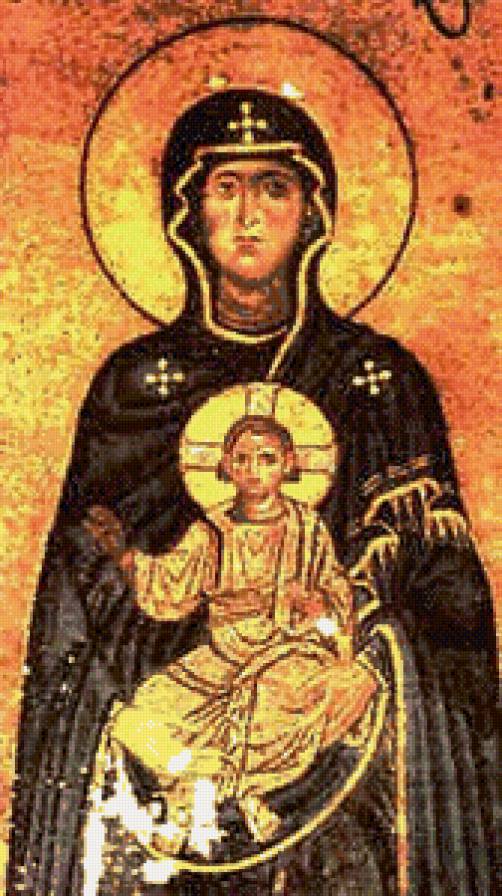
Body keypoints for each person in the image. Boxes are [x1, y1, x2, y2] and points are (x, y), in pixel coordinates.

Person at [8, 84, 500, 896]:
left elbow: (447, 596)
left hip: (347, 756)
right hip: (174, 775)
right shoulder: (137, 385)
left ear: (313, 212)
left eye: (274, 187)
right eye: (225, 187)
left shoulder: (379, 381)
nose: (248, 215)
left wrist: (363, 628)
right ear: (187, 211)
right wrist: (145, 609)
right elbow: (80, 600)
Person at [94, 413, 378, 857]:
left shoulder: (307, 528)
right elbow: (170, 586)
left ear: (288, 464)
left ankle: (225, 788)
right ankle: (205, 782)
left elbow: (336, 593)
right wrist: (126, 558)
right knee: (145, 708)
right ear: (225, 466)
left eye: (266, 459)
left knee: (336, 687)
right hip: (223, 657)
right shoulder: (210, 532)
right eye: (242, 459)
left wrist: (321, 607)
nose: (253, 470)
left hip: (291, 654)